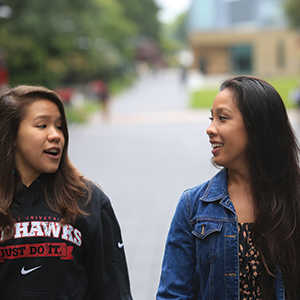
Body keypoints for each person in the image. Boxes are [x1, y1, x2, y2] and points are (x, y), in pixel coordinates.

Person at [156, 75, 300, 300]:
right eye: (211, 118)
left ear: (257, 125)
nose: (210, 129)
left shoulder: (294, 197)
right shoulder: (193, 206)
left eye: (222, 118)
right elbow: (173, 294)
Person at [0, 85, 132, 300]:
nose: (56, 136)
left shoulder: (89, 200)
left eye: (60, 127)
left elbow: (113, 289)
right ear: (11, 135)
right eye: (42, 125)